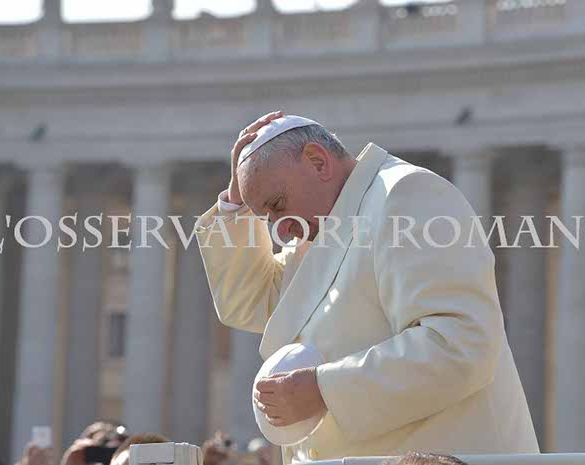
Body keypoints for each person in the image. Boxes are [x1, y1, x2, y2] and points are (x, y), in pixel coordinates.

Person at [195, 111, 539, 463]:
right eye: (266, 217)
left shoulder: (406, 195)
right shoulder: (321, 232)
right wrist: (234, 205)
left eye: (278, 205)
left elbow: (461, 343)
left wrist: (323, 390)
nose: (280, 229)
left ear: (318, 161)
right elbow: (249, 303)